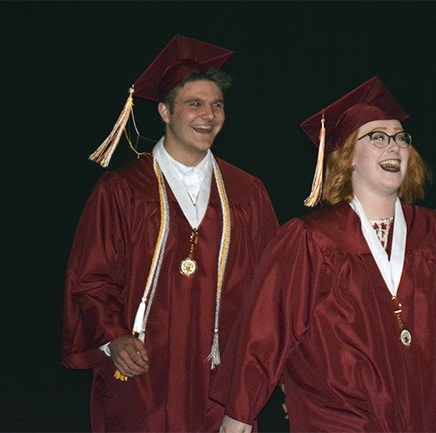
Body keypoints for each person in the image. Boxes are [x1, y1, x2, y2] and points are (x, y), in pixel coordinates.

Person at [211, 76, 436, 432]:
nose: (394, 147)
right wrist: (239, 412)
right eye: (378, 138)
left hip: (427, 410)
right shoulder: (311, 240)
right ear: (347, 157)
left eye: (400, 138)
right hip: (340, 414)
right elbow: (267, 330)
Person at [61, 35, 279, 432]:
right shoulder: (124, 189)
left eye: (217, 105)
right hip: (142, 381)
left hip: (219, 385)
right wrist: (114, 340)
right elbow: (91, 279)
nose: (209, 116)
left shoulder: (247, 193)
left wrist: (253, 386)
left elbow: (273, 294)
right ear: (164, 110)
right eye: (195, 104)